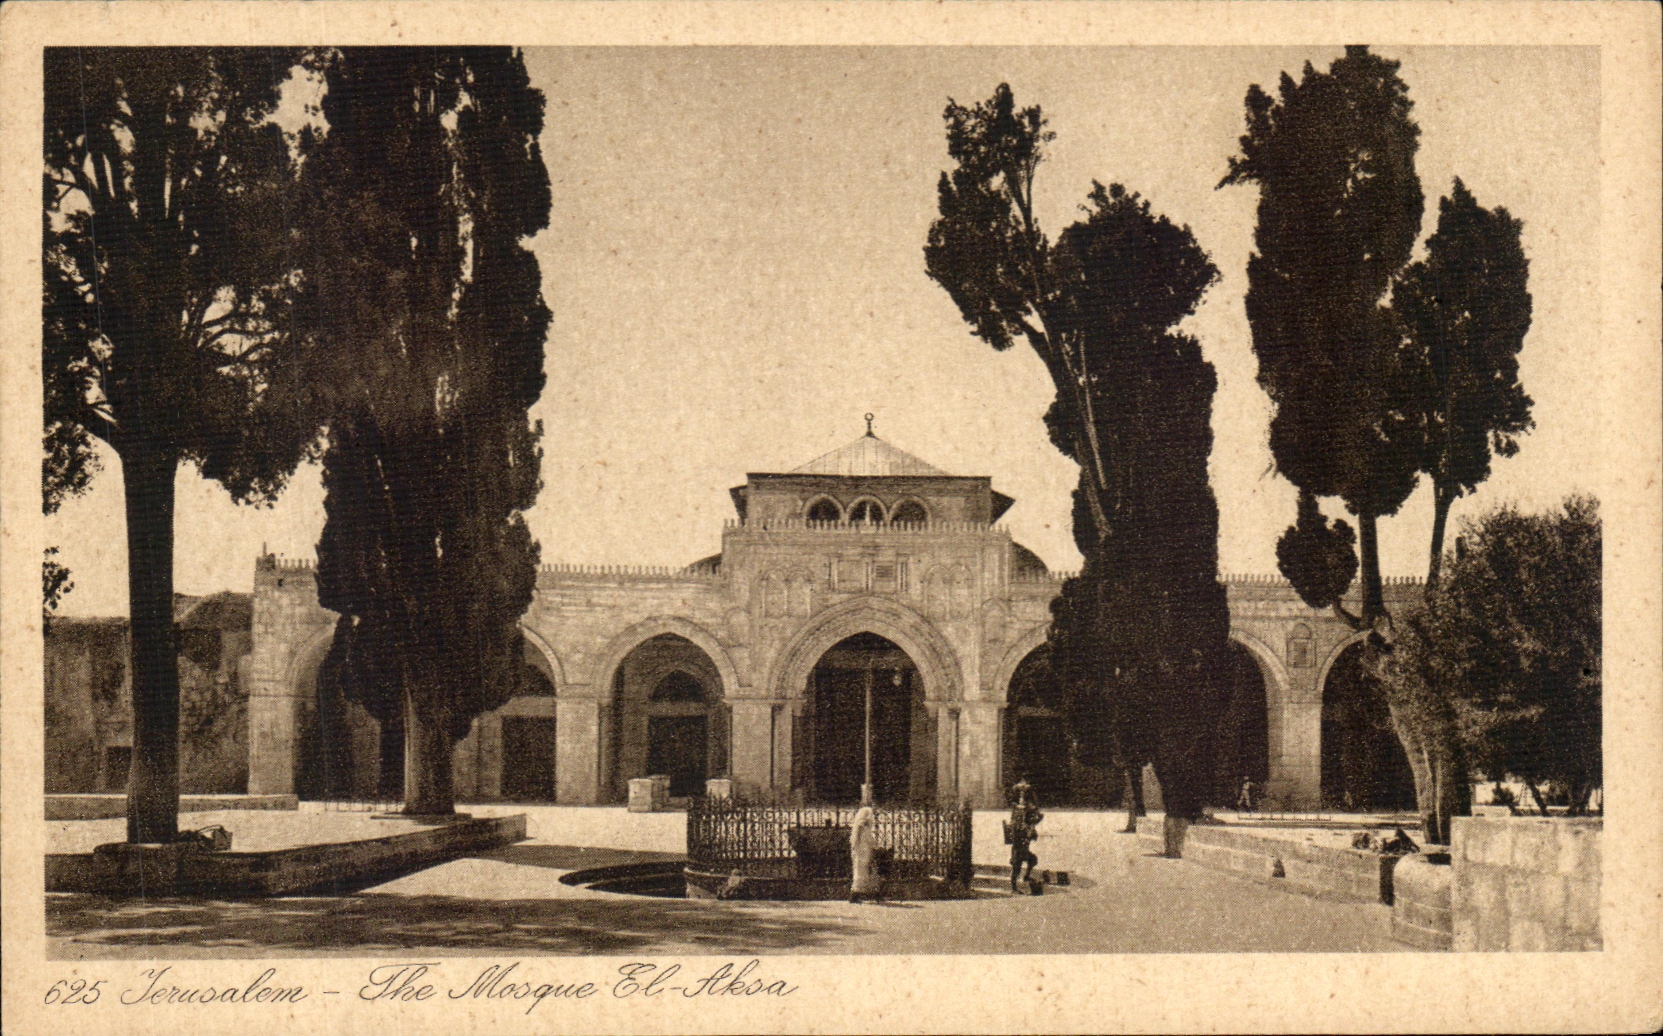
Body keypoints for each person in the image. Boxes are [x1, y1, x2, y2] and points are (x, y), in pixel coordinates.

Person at [1006, 778, 1043, 894]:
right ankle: (1014, 887)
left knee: (1029, 860)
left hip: (1020, 842)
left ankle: (1023, 878)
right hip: (1020, 843)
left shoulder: (1018, 810)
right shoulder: (1024, 810)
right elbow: (1033, 820)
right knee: (1019, 863)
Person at [849, 787, 881, 904]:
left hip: (859, 849)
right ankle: (856, 894)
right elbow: (868, 837)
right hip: (864, 849)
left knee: (860, 871)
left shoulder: (858, 829)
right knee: (864, 871)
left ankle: (857, 893)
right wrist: (875, 845)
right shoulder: (865, 824)